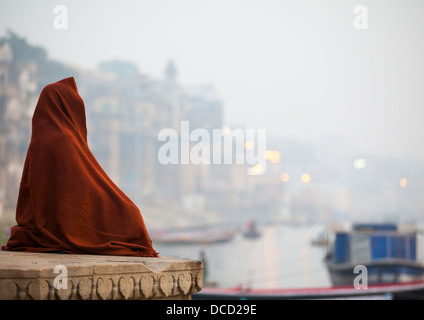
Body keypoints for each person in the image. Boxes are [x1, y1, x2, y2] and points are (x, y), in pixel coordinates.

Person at [1, 77, 158, 257]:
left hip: (41, 224)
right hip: (64, 225)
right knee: (132, 217)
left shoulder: (41, 138)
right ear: (68, 108)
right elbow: (82, 186)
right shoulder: (63, 140)